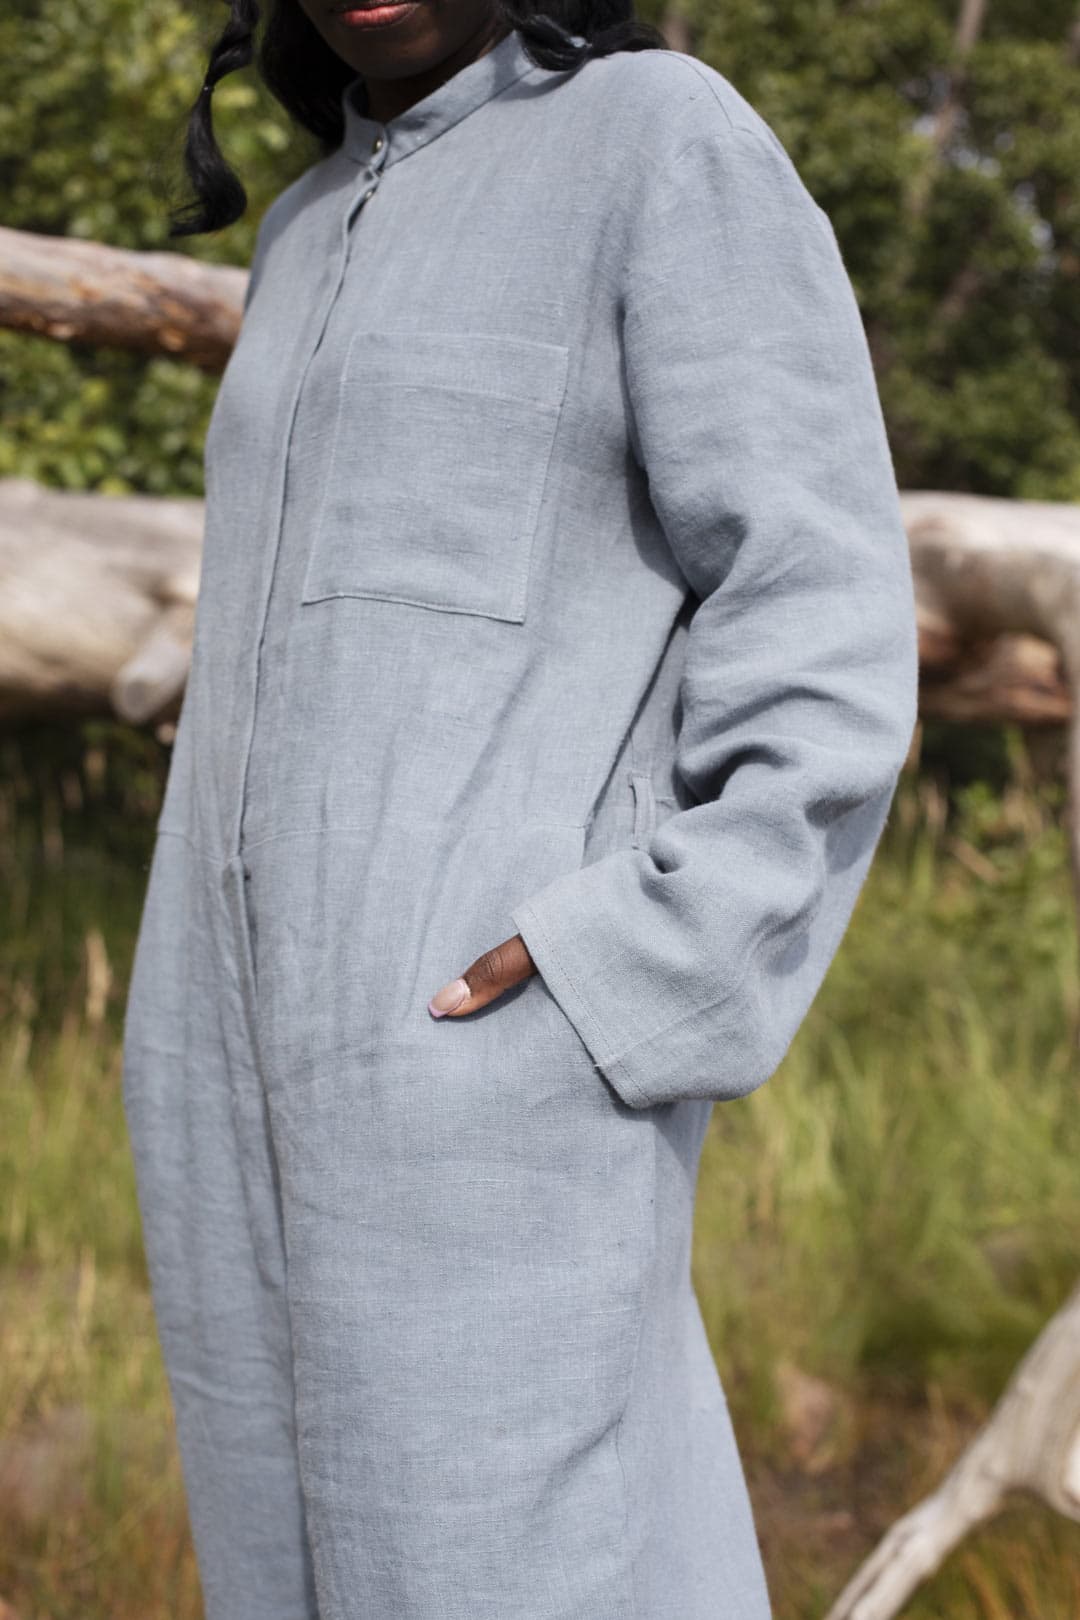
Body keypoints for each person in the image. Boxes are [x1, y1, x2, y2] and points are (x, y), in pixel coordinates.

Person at [121, 1, 920, 1616]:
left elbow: (821, 625)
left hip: (494, 1083)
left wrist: (635, 972)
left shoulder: (660, 141)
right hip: (218, 1095)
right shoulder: (297, 230)